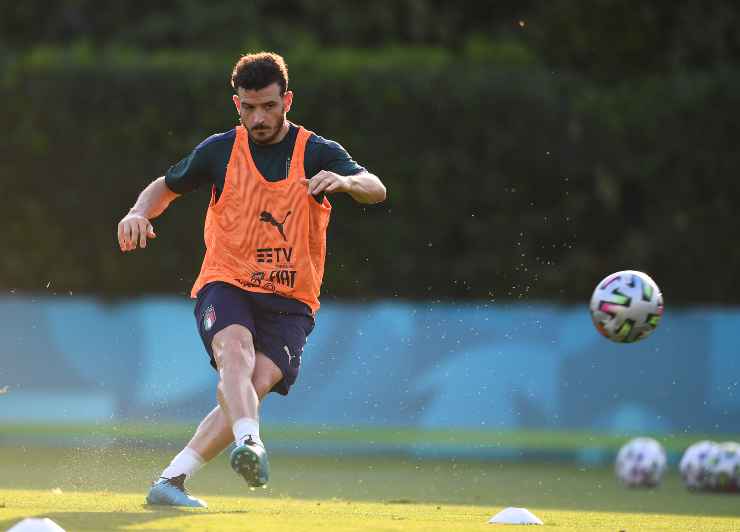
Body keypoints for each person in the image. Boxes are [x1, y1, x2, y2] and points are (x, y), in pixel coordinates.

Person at [116, 52, 386, 508]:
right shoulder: (219, 150)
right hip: (228, 282)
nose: (258, 118)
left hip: (292, 299)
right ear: (236, 104)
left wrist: (345, 182)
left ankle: (171, 481)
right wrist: (138, 211)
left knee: (253, 383)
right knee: (234, 355)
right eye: (248, 108)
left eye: (268, 106)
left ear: (287, 101)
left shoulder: (318, 151)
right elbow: (166, 185)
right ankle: (251, 441)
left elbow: (376, 187)